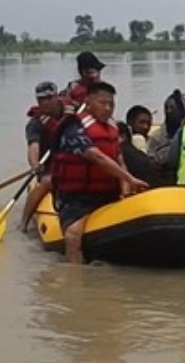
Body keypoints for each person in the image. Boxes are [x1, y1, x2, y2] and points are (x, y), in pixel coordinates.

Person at [50, 82, 149, 264]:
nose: (108, 109)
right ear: (88, 102)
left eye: (111, 104)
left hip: (107, 193)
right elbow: (97, 157)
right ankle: (74, 280)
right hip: (77, 197)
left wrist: (126, 188)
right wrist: (129, 178)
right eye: (102, 103)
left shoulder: (112, 128)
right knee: (73, 236)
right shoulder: (74, 128)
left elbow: (119, 159)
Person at [19, 81, 68, 232]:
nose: (45, 102)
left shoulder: (73, 111)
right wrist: (34, 163)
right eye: (41, 100)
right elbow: (34, 145)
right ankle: (23, 223)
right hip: (50, 166)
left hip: (74, 161)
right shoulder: (35, 123)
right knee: (47, 181)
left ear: (56, 97)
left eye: (48, 98)